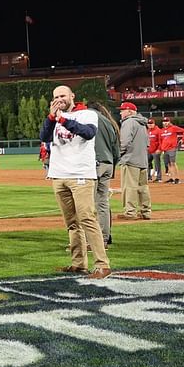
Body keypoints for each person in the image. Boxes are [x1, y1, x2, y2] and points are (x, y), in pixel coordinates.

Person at [40, 86, 110, 278]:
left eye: (62, 95)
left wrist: (62, 119)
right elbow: (44, 137)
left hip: (80, 174)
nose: (59, 99)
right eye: (55, 97)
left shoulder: (87, 114)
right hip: (59, 174)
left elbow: (87, 133)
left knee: (87, 218)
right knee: (71, 223)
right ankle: (78, 264)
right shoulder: (54, 117)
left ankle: (102, 265)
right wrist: (51, 118)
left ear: (72, 96)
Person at [118, 102, 151, 220]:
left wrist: (119, 154)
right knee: (143, 187)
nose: (120, 112)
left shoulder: (129, 122)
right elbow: (148, 144)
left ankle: (130, 212)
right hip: (142, 160)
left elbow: (124, 142)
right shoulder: (142, 123)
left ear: (130, 111)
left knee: (129, 187)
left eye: (122, 110)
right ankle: (146, 212)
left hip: (130, 159)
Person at [93, 104, 120, 248]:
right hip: (108, 164)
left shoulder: (88, 117)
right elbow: (116, 149)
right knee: (103, 203)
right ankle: (104, 239)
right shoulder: (109, 122)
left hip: (94, 164)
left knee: (88, 204)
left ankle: (92, 241)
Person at [161, 115, 181, 183]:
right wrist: (162, 148)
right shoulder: (162, 130)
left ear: (169, 122)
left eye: (167, 121)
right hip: (165, 150)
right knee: (168, 164)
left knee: (173, 163)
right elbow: (162, 140)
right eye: (164, 121)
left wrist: (182, 140)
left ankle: (177, 178)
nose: (165, 123)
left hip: (172, 148)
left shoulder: (173, 128)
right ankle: (172, 178)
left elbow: (183, 131)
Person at [147, 118, 162, 183]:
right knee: (147, 164)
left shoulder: (158, 130)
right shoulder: (147, 130)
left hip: (155, 150)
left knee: (157, 164)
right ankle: (148, 177)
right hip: (148, 150)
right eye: (149, 123)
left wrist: (159, 149)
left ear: (154, 124)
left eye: (151, 123)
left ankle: (159, 178)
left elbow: (160, 141)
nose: (150, 125)